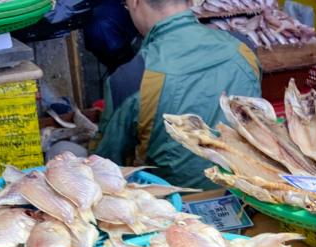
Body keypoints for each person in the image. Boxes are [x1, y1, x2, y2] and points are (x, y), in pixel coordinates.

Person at [93, 0, 261, 187]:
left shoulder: (131, 78)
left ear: (134, 2)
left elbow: (105, 164)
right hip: (248, 195)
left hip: (173, 207)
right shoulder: (243, 48)